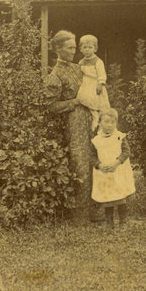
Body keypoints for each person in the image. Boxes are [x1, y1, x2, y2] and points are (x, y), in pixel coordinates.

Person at [43, 30, 100, 223]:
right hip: (72, 123)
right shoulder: (55, 74)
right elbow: (49, 106)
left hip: (89, 119)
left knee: (93, 161)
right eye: (69, 47)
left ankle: (95, 210)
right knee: (79, 165)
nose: (74, 51)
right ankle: (79, 215)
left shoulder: (78, 68)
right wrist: (74, 102)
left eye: (75, 47)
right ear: (58, 49)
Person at [90, 108, 135, 229]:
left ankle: (123, 221)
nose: (109, 125)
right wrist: (99, 165)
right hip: (104, 173)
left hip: (118, 171)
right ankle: (109, 221)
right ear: (100, 123)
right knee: (107, 197)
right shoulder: (96, 141)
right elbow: (92, 156)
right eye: (106, 122)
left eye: (112, 122)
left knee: (120, 196)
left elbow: (126, 152)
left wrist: (117, 162)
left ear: (116, 123)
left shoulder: (119, 137)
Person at [76, 34, 111, 132]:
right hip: (85, 85)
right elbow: (79, 74)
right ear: (81, 49)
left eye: (90, 47)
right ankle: (94, 116)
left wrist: (100, 84)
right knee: (85, 100)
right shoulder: (81, 62)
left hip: (95, 85)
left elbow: (102, 74)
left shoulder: (98, 61)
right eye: (85, 47)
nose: (87, 50)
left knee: (99, 104)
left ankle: (100, 122)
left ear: (95, 49)